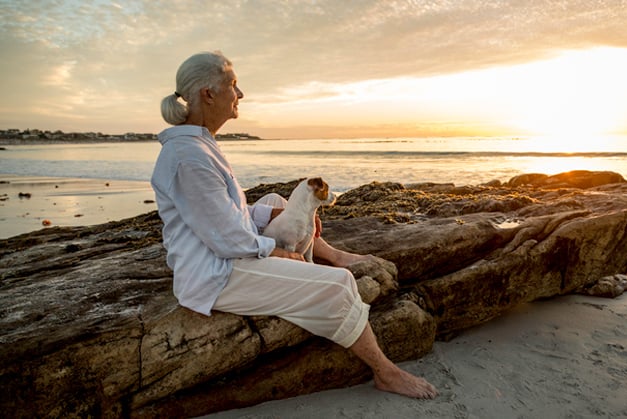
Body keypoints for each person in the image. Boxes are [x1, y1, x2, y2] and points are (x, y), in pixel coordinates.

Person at [151, 51, 437, 399]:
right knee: (339, 284)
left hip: (222, 250)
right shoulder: (188, 157)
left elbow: (223, 212)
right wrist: (278, 253)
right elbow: (226, 238)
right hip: (215, 275)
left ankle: (332, 253)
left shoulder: (200, 145)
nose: (240, 95)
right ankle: (385, 372)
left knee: (275, 202)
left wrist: (265, 217)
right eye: (233, 86)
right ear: (208, 95)